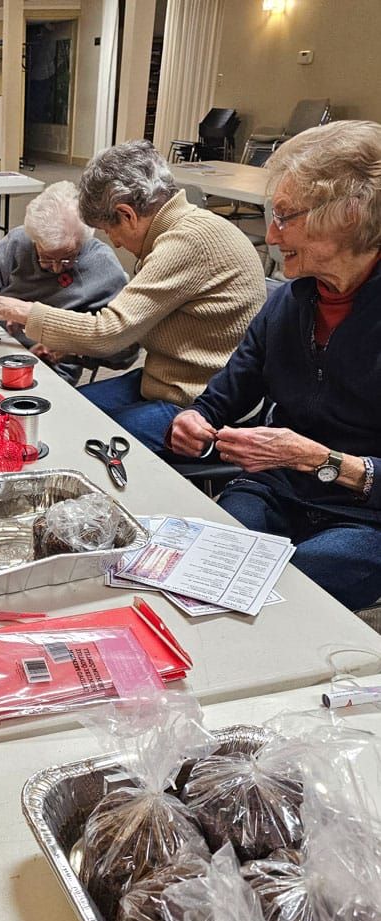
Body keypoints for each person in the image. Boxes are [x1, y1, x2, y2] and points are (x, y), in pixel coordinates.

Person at [168, 120, 381, 611]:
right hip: (276, 487)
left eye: (286, 217)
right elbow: (230, 390)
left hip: (365, 515)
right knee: (208, 569)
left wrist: (320, 460)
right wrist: (197, 418)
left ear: (349, 215)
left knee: (286, 594)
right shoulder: (288, 302)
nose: (269, 234)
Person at [0, 141, 267, 450]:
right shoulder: (185, 229)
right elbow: (133, 329)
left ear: (127, 214)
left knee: (66, 435)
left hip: (197, 405)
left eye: (110, 231)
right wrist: (72, 349)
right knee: (61, 408)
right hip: (165, 380)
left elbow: (110, 332)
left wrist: (21, 311)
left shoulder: (186, 243)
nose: (115, 244)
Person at [0, 180, 128, 383]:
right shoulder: (18, 241)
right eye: (46, 258)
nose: (56, 268)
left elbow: (124, 352)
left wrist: (70, 350)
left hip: (50, 367)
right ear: (33, 240)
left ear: (83, 241)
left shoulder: (104, 267)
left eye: (67, 259)